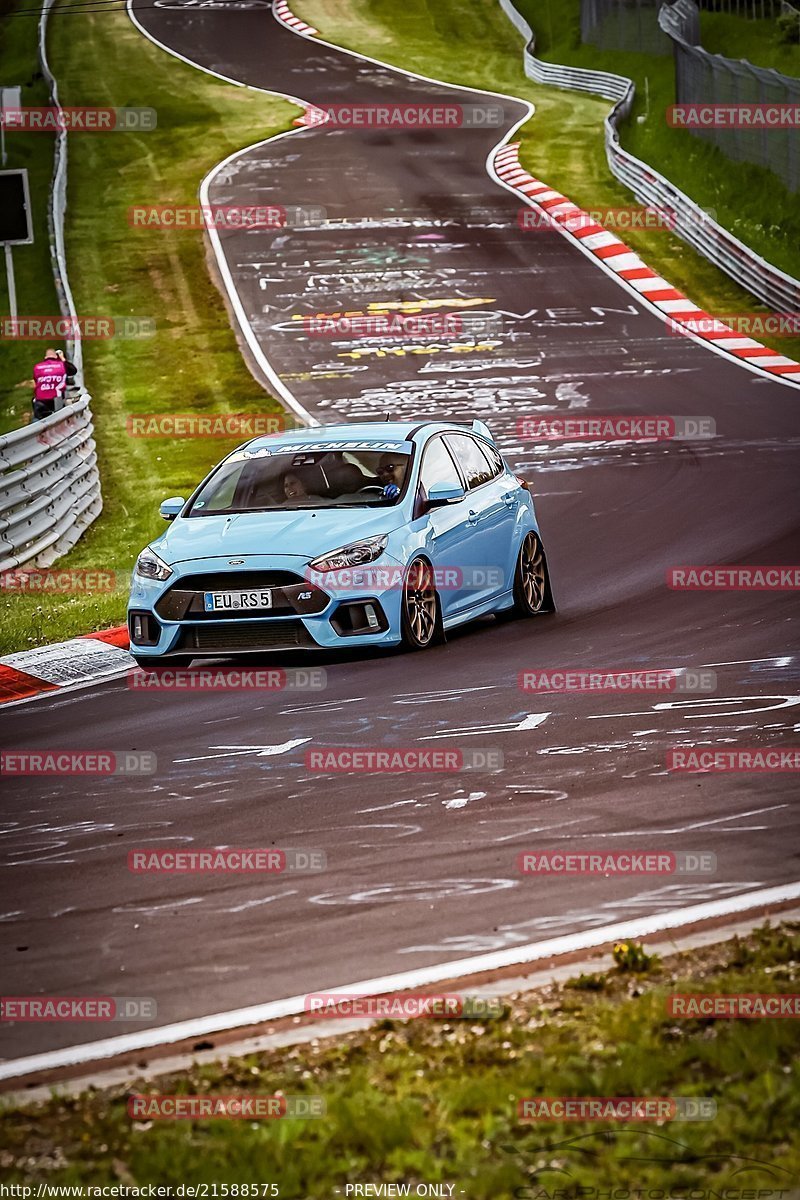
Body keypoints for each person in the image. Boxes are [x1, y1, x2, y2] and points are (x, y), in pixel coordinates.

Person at [31, 348, 77, 421]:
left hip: (41, 401)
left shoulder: (37, 367)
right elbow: (73, 371)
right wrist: (62, 359)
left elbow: (36, 382)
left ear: (45, 357)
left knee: (37, 419)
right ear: (56, 356)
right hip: (56, 401)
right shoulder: (62, 365)